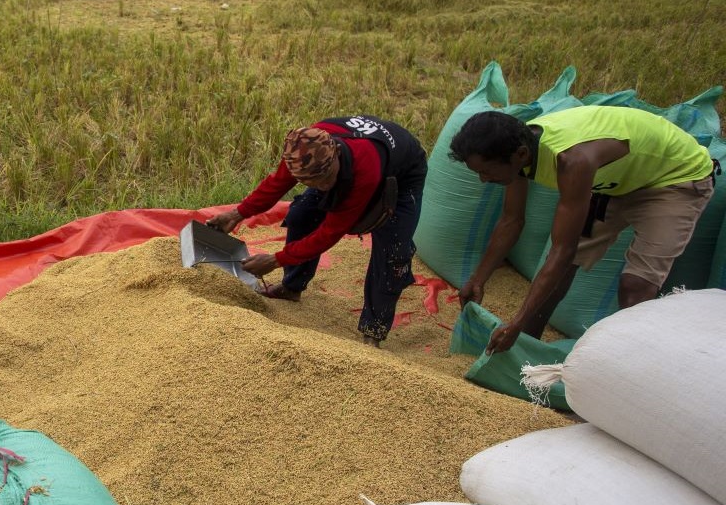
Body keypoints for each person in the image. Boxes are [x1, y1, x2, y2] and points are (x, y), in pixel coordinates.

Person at [448, 106, 716, 354]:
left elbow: (563, 250)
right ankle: (527, 348)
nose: (483, 180)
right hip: (618, 180)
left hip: (675, 179)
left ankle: (629, 363)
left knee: (635, 285)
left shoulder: (572, 161)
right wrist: (478, 279)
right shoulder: (517, 149)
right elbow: (511, 220)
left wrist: (515, 323)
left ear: (519, 155)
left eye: (486, 172)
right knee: (563, 269)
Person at [208, 115, 429, 348]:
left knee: (392, 251)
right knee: (301, 215)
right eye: (311, 183)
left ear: (335, 156)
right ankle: (291, 287)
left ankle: (373, 332)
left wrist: (275, 260)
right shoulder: (300, 151)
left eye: (324, 179)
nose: (321, 187)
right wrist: (236, 214)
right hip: (353, 162)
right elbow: (276, 185)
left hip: (403, 172)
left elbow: (330, 233)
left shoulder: (364, 169)